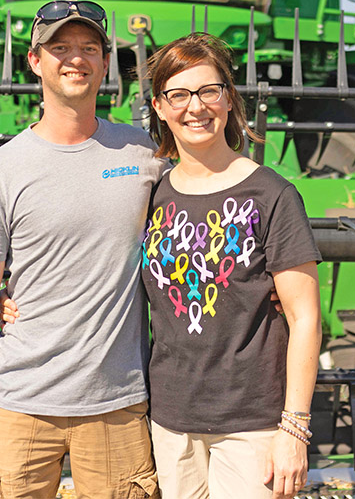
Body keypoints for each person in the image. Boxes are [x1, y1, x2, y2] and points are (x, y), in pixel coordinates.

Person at [0, 0, 163, 499]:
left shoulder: (145, 155)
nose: (76, 59)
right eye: (60, 48)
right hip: (21, 406)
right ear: (35, 61)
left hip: (117, 405)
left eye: (89, 47)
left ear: (106, 61)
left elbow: (200, 221)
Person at [141, 33, 322, 499]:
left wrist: (294, 429)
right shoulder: (150, 195)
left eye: (208, 91)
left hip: (251, 424)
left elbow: (305, 318)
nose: (195, 107)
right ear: (159, 108)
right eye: (178, 94)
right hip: (171, 419)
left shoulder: (273, 195)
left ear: (229, 98)